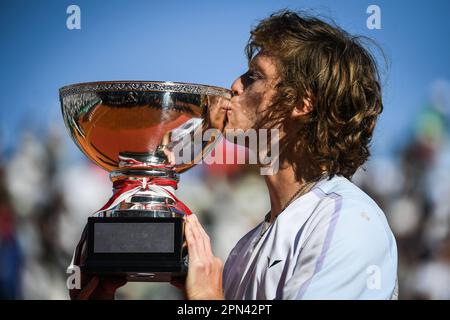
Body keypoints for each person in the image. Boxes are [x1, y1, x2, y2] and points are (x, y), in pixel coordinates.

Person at [70, 10, 398, 300]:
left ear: (301, 103)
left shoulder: (348, 222)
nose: (234, 86)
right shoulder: (249, 246)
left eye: (253, 76)